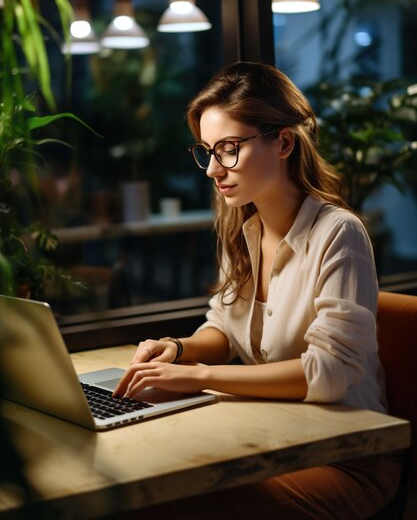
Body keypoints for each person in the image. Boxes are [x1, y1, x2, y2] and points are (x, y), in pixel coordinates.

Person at [113, 61, 403, 519]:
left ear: (283, 142)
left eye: (228, 149)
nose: (212, 169)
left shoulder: (338, 233)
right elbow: (224, 331)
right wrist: (177, 349)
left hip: (349, 458)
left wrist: (200, 377)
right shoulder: (243, 226)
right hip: (277, 441)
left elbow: (328, 373)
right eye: (207, 151)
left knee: (182, 501)